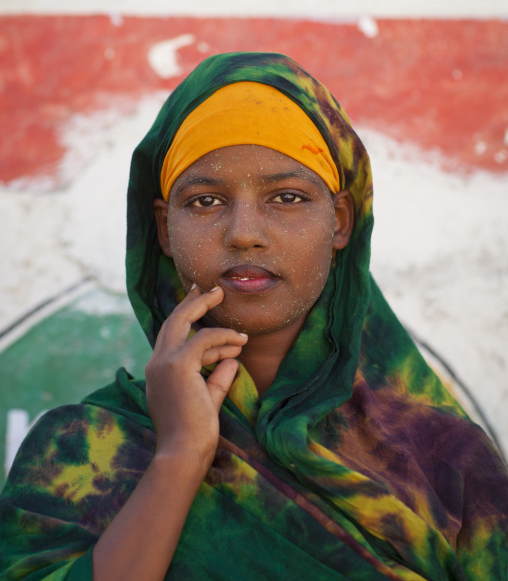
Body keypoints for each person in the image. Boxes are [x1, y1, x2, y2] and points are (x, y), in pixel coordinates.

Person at [0, 52, 507, 581]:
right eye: (205, 201)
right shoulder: (80, 449)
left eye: (286, 197)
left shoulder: (449, 462)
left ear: (338, 222)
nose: (244, 231)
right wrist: (179, 455)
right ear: (164, 228)